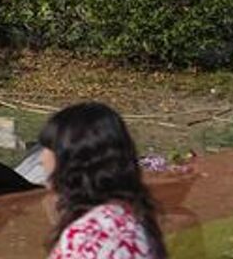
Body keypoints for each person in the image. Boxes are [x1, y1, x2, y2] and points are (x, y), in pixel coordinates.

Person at [38, 102, 168, 259]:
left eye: (50, 148)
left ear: (76, 159)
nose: (42, 158)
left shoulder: (93, 236)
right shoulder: (123, 219)